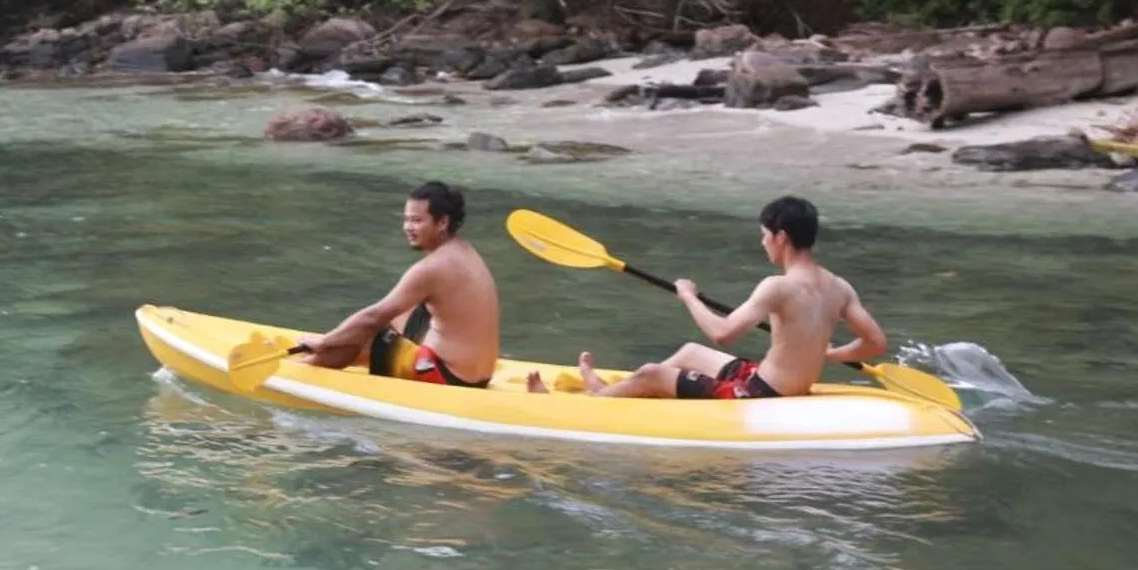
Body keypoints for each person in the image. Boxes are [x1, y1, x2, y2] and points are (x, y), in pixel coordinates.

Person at [529, 196, 884, 399]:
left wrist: (689, 297)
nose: (762, 244)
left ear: (780, 237)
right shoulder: (839, 287)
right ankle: (624, 391)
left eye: (764, 236)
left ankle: (597, 400)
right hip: (769, 378)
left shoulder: (778, 287)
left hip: (758, 395)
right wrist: (829, 353)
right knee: (689, 353)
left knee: (654, 372)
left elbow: (723, 334)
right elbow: (874, 343)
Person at [293, 181, 501, 389]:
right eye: (406, 220)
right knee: (401, 314)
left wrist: (326, 341)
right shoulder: (464, 251)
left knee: (368, 333)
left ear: (442, 222)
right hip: (478, 377)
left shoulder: (432, 268)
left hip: (446, 377)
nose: (408, 228)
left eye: (417, 220)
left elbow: (373, 318)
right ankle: (328, 355)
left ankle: (299, 373)